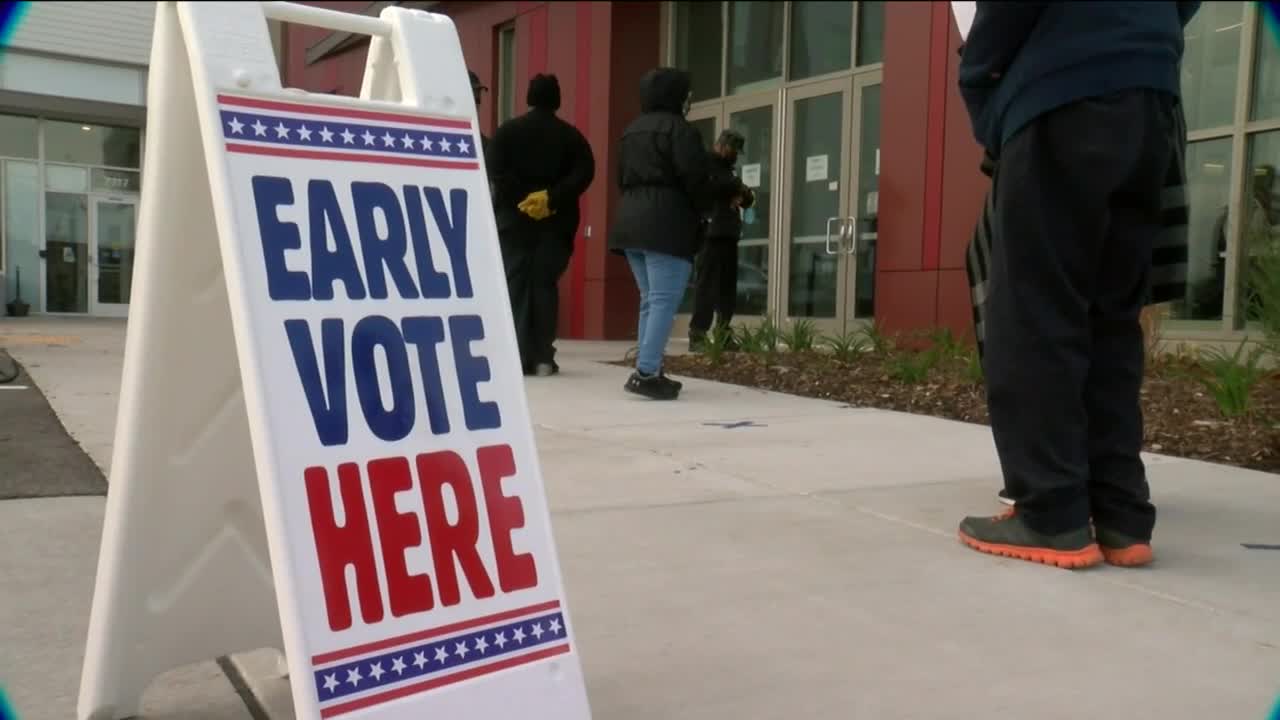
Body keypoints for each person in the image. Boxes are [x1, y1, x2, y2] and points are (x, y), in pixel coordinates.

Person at [955, 0, 1199, 569]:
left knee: (1034, 312)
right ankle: (1120, 514)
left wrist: (979, 83)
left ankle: (1051, 513)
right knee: (1112, 315)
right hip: (1150, 96)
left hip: (1063, 92)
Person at [608, 67, 714, 400]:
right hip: (666, 223)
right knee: (664, 301)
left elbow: (621, 177)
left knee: (650, 301)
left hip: (630, 222)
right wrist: (706, 212)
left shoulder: (630, 131)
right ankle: (646, 373)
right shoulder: (680, 131)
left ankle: (648, 366)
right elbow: (695, 178)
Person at [487, 74, 596, 376]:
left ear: (529, 97)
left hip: (513, 220)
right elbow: (585, 173)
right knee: (544, 285)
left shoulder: (507, 133)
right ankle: (543, 356)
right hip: (556, 223)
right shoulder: (572, 137)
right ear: (556, 99)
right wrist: (551, 197)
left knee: (516, 284)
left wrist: (523, 199)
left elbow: (496, 171)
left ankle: (517, 353)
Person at [689, 129, 754, 352]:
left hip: (728, 233)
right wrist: (735, 188)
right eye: (734, 150)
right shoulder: (706, 164)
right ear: (723, 146)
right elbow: (711, 187)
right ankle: (698, 334)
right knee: (707, 286)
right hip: (711, 233)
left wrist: (740, 191)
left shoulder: (728, 170)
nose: (736, 155)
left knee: (727, 288)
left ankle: (724, 333)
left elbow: (748, 198)